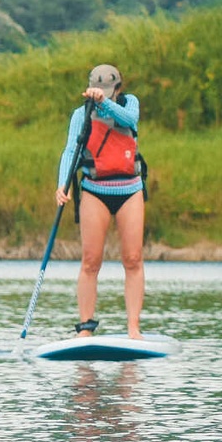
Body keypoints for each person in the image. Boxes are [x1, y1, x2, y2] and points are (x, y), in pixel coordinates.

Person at [55, 63, 150, 339]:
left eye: (110, 90)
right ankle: (86, 327)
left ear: (118, 88)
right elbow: (71, 148)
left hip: (129, 190)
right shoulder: (80, 114)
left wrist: (104, 103)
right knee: (90, 261)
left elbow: (129, 121)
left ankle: (133, 328)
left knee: (132, 259)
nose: (105, 95)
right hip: (95, 190)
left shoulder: (129, 103)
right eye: (100, 91)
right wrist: (63, 183)